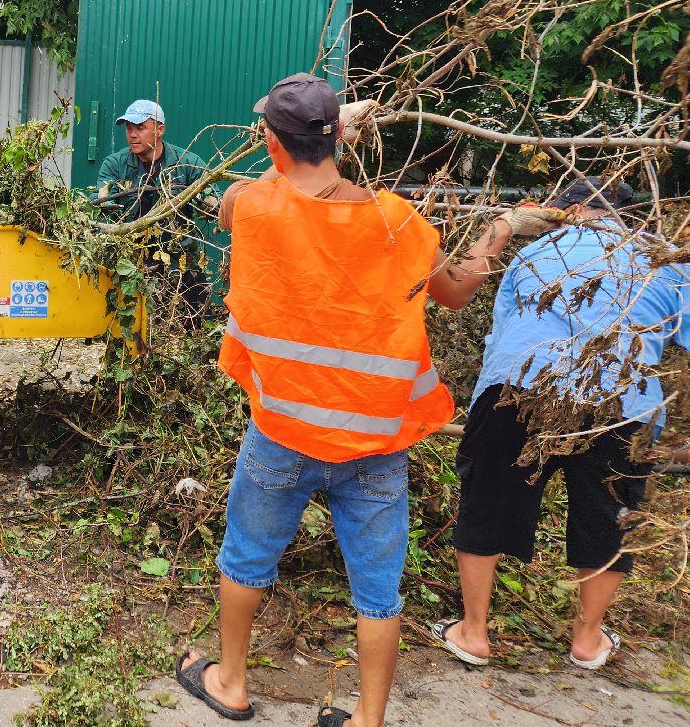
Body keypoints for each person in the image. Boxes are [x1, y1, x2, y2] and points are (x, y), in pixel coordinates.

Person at [174, 72, 560, 727]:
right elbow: (459, 289)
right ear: (338, 141)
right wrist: (501, 228)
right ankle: (368, 719)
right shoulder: (397, 220)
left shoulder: (254, 205)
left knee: (245, 559)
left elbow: (234, 195)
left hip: (282, 433)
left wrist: (327, 131)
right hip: (376, 445)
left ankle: (231, 682)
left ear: (273, 140)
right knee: (377, 593)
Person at [433, 178, 687, 672]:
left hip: (518, 387)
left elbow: (501, 335)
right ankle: (588, 641)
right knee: (608, 517)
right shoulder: (666, 260)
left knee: (487, 502)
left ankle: (475, 632)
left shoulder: (534, 254)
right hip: (620, 402)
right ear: (626, 216)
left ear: (560, 210)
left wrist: (486, 413)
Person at [96, 99, 213, 312]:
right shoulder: (114, 164)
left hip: (179, 256)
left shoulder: (186, 162)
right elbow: (103, 201)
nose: (132, 134)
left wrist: (207, 202)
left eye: (140, 128)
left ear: (160, 130)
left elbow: (212, 198)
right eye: (129, 128)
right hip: (131, 258)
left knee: (201, 316)